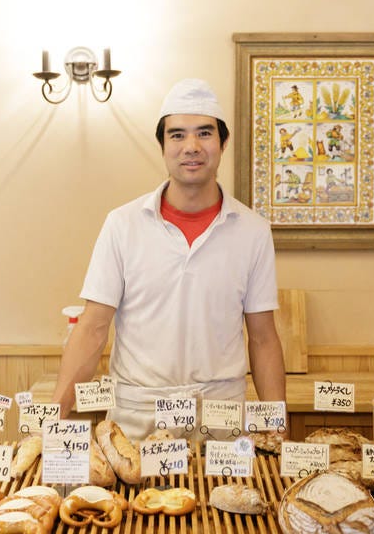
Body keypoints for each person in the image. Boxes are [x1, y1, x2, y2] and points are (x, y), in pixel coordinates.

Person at [51, 78, 287, 441]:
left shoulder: (252, 231)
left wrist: (276, 430)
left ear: (223, 143)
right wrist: (56, 419)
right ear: (162, 146)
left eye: (204, 133)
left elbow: (263, 338)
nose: (191, 146)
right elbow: (93, 327)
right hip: (137, 422)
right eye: (177, 135)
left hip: (219, 421)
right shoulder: (123, 224)